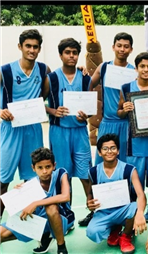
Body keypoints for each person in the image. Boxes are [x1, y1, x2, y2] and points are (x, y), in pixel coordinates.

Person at [81, 32, 135, 227]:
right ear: (113, 47)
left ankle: (126, 211)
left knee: (124, 169)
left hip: (128, 125)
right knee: (100, 169)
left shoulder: (135, 71)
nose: (122, 49)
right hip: (107, 123)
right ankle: (95, 208)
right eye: (119, 45)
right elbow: (88, 85)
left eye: (126, 46)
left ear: (130, 49)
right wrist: (83, 73)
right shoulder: (104, 67)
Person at [0, 29, 51, 222]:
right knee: (2, 179)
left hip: (32, 128)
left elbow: (45, 93)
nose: (31, 50)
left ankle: (32, 225)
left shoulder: (43, 69)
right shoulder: (5, 71)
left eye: (35, 47)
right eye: (28, 46)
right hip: (10, 129)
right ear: (20, 47)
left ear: (39, 49)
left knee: (32, 180)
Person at [44, 38, 92, 232]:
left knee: (85, 173)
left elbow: (90, 106)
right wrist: (53, 111)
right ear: (60, 54)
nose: (71, 56)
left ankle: (94, 210)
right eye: (67, 52)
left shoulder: (85, 77)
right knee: (63, 175)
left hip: (80, 131)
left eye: (74, 53)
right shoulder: (52, 78)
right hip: (59, 132)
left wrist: (86, 116)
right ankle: (67, 213)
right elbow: (39, 101)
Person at [0, 147, 74, 254]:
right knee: (1, 234)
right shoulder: (31, 184)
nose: (44, 171)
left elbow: (65, 196)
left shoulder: (61, 174)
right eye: (40, 168)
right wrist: (18, 194)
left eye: (48, 167)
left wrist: (36, 203)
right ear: (33, 168)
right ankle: (44, 236)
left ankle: (61, 247)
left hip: (62, 219)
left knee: (51, 207)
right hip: (40, 223)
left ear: (54, 165)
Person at [86, 133, 147, 254]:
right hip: (104, 212)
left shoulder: (129, 169)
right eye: (105, 148)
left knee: (135, 206)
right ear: (99, 152)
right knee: (92, 232)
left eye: (113, 148)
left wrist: (140, 213)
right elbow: (90, 193)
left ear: (118, 151)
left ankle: (126, 235)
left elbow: (141, 195)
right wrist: (89, 203)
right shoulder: (93, 172)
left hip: (124, 210)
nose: (109, 151)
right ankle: (115, 228)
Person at [117, 51, 148, 191]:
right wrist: (125, 110)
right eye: (142, 66)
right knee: (135, 188)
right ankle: (137, 212)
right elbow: (119, 113)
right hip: (135, 146)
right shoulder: (126, 88)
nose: (146, 70)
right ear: (136, 68)